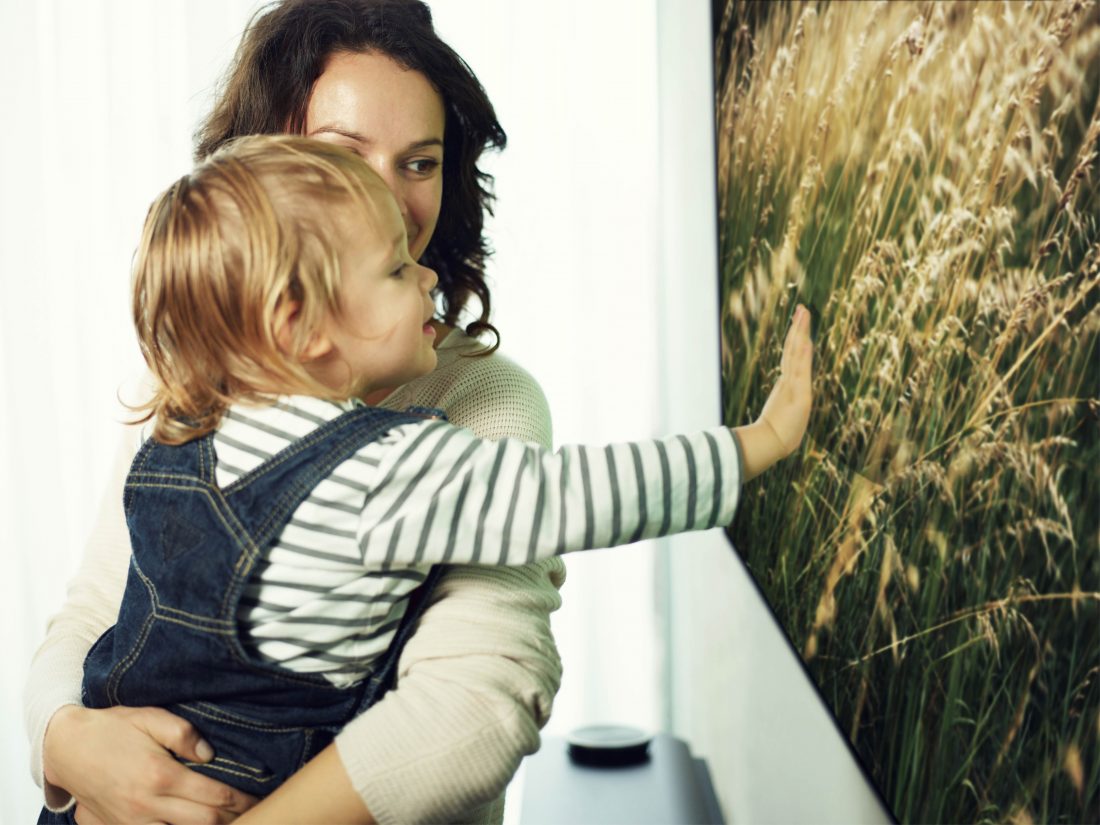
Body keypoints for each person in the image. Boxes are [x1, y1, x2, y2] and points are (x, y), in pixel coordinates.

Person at [51, 134, 810, 820]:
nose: (425, 274)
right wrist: (757, 443)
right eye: (393, 268)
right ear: (299, 324)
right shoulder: (386, 469)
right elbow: (574, 494)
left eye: (422, 161)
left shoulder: (184, 425)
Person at [26, 2, 569, 823]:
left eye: (419, 162)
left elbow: (478, 705)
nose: (388, 196)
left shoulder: (485, 399)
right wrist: (62, 738)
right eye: (341, 155)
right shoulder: (198, 366)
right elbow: (98, 605)